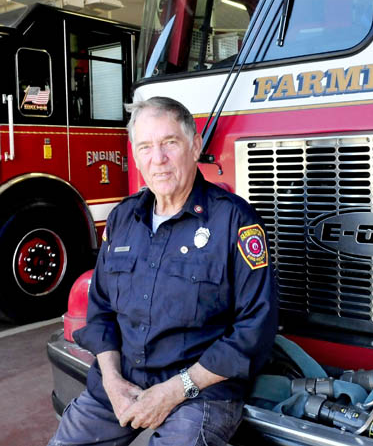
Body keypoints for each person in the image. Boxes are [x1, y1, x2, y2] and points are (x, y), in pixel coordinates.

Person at [48, 96, 278, 446]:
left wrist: (175, 390)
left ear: (195, 145)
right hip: (121, 383)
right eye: (145, 147)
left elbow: (255, 328)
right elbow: (102, 311)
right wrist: (110, 379)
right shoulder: (122, 219)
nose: (158, 159)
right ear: (136, 155)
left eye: (170, 143)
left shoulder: (235, 220)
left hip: (202, 392)